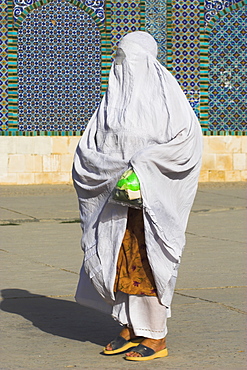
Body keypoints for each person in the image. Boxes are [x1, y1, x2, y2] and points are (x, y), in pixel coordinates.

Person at [72, 31, 202, 361]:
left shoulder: (168, 98)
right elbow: (90, 147)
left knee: (148, 266)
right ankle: (129, 327)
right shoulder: (111, 102)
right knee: (118, 263)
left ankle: (155, 337)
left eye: (126, 57)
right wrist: (109, 168)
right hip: (115, 205)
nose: (121, 64)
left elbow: (187, 144)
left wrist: (144, 164)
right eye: (117, 57)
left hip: (152, 205)